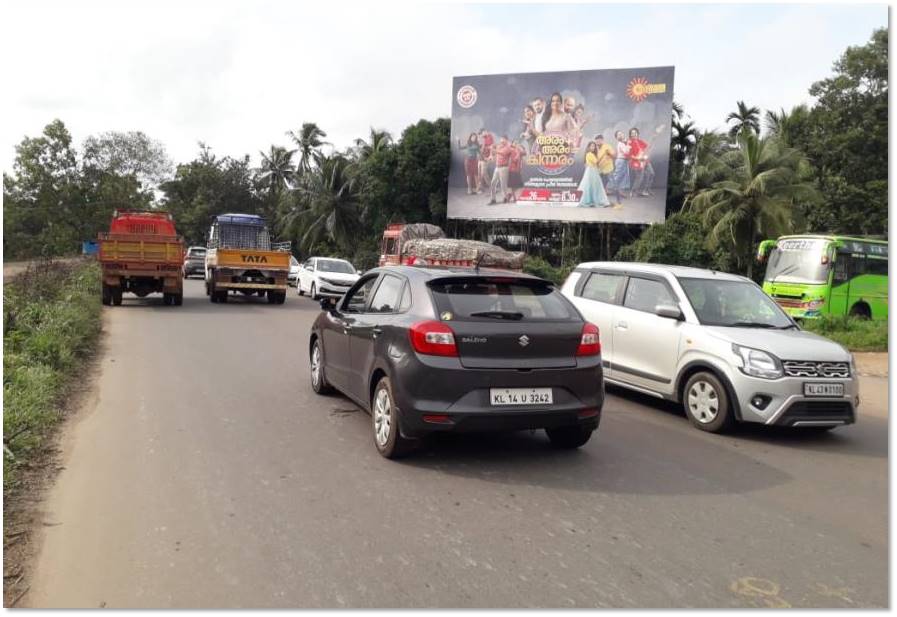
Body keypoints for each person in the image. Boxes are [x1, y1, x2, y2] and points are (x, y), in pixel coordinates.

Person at [577, 141, 611, 208]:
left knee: (592, 186)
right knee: (592, 186)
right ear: (588, 147)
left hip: (593, 171)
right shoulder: (589, 154)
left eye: (594, 146)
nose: (593, 147)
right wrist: (604, 155)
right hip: (591, 171)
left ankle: (592, 200)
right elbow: (596, 162)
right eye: (591, 146)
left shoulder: (591, 154)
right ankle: (593, 201)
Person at [628, 127, 655, 197]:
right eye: (632, 133)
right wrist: (638, 158)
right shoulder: (629, 143)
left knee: (651, 173)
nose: (634, 134)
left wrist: (653, 139)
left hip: (645, 161)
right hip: (637, 162)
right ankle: (633, 191)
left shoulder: (640, 141)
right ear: (630, 135)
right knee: (640, 177)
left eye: (635, 133)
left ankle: (645, 190)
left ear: (637, 133)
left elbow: (648, 147)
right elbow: (630, 155)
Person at [488, 135, 513, 205]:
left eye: (503, 139)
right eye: (501, 139)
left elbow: (503, 153)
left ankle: (505, 197)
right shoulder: (499, 146)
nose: (502, 140)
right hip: (497, 167)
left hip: (504, 167)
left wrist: (494, 150)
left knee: (503, 184)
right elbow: (493, 148)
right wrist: (491, 155)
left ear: (506, 140)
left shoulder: (508, 147)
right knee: (493, 183)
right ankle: (493, 199)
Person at [610, 130, 630, 204]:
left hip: (624, 161)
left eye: (621, 133)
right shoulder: (620, 144)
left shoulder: (623, 143)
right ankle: (609, 188)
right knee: (617, 176)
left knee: (623, 176)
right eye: (619, 134)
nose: (621, 135)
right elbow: (626, 152)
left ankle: (620, 191)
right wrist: (628, 144)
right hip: (621, 161)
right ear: (616, 138)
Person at [477, 129, 494, 194]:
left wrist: (490, 155)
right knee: (479, 174)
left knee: (484, 173)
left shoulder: (489, 137)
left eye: (484, 132)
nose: (483, 134)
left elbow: (491, 147)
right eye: (482, 133)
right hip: (480, 158)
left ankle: (492, 187)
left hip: (485, 158)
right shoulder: (481, 138)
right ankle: (481, 188)